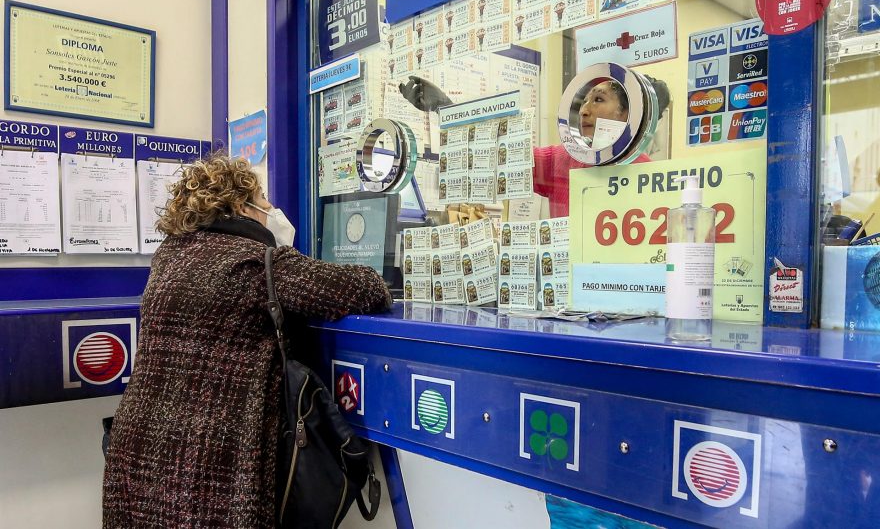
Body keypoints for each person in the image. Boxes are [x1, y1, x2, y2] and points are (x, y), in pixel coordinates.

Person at [102, 155, 391, 527]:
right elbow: (365, 287)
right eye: (264, 199)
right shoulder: (255, 262)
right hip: (208, 463)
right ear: (241, 205)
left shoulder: (169, 257)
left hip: (138, 451)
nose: (272, 208)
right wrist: (286, 253)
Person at [399, 74, 670, 216]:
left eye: (598, 100)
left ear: (627, 114)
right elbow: (499, 153)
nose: (584, 110)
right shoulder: (563, 160)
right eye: (584, 101)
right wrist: (446, 109)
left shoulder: (647, 175)